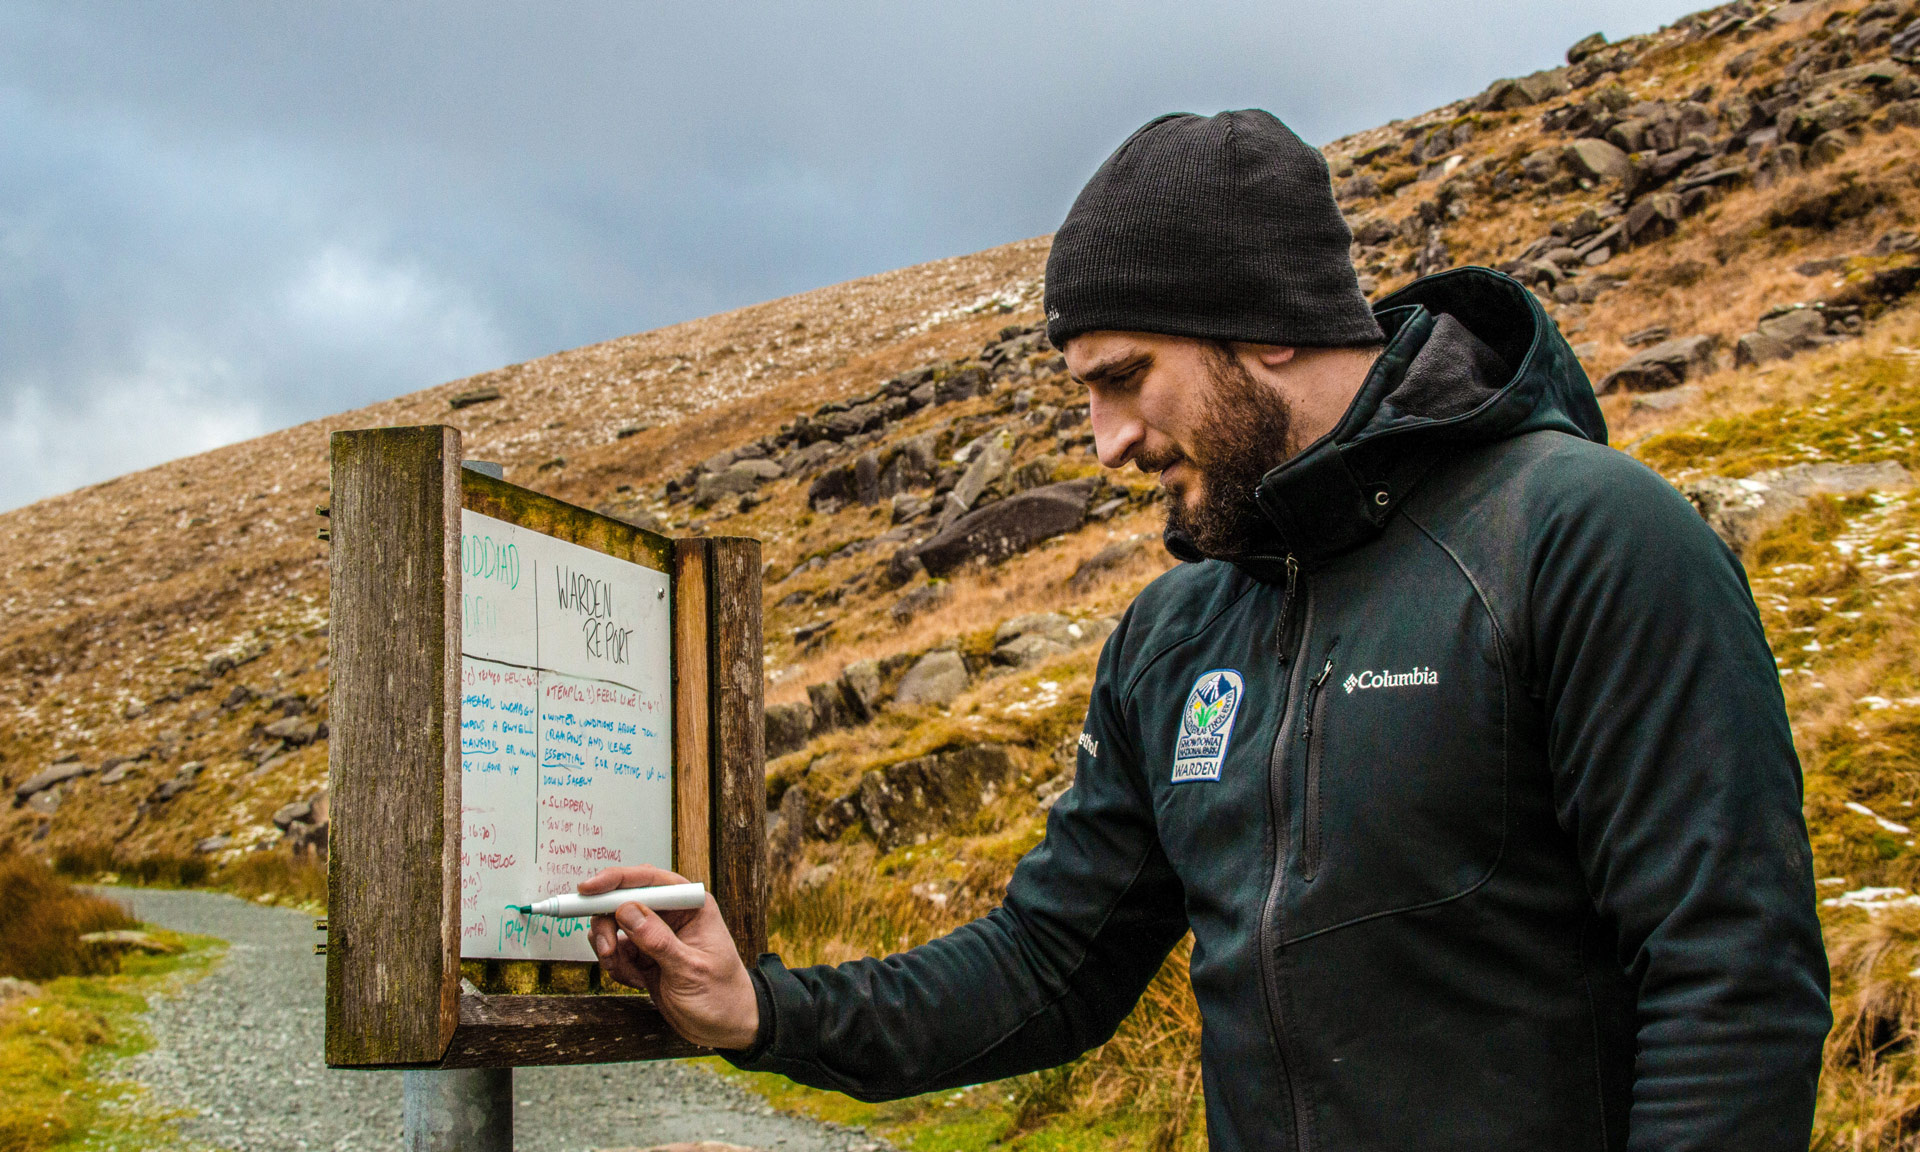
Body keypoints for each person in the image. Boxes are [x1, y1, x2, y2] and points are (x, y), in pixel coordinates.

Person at [582, 110, 1831, 1150]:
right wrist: (761, 1009)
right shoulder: (1177, 636)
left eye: (1125, 378)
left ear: (1269, 322)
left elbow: (1732, 980)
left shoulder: (1583, 537)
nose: (1105, 443)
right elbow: (1045, 969)